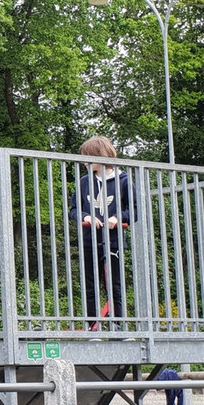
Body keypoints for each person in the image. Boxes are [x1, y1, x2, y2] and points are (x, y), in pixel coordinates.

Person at [69, 136, 138, 331]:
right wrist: (86, 217)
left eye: (87, 158)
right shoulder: (84, 182)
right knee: (90, 287)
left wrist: (116, 219)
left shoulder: (123, 180)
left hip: (114, 242)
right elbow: (73, 210)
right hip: (89, 241)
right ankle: (93, 327)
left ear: (101, 156)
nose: (84, 163)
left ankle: (119, 326)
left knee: (115, 286)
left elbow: (134, 211)